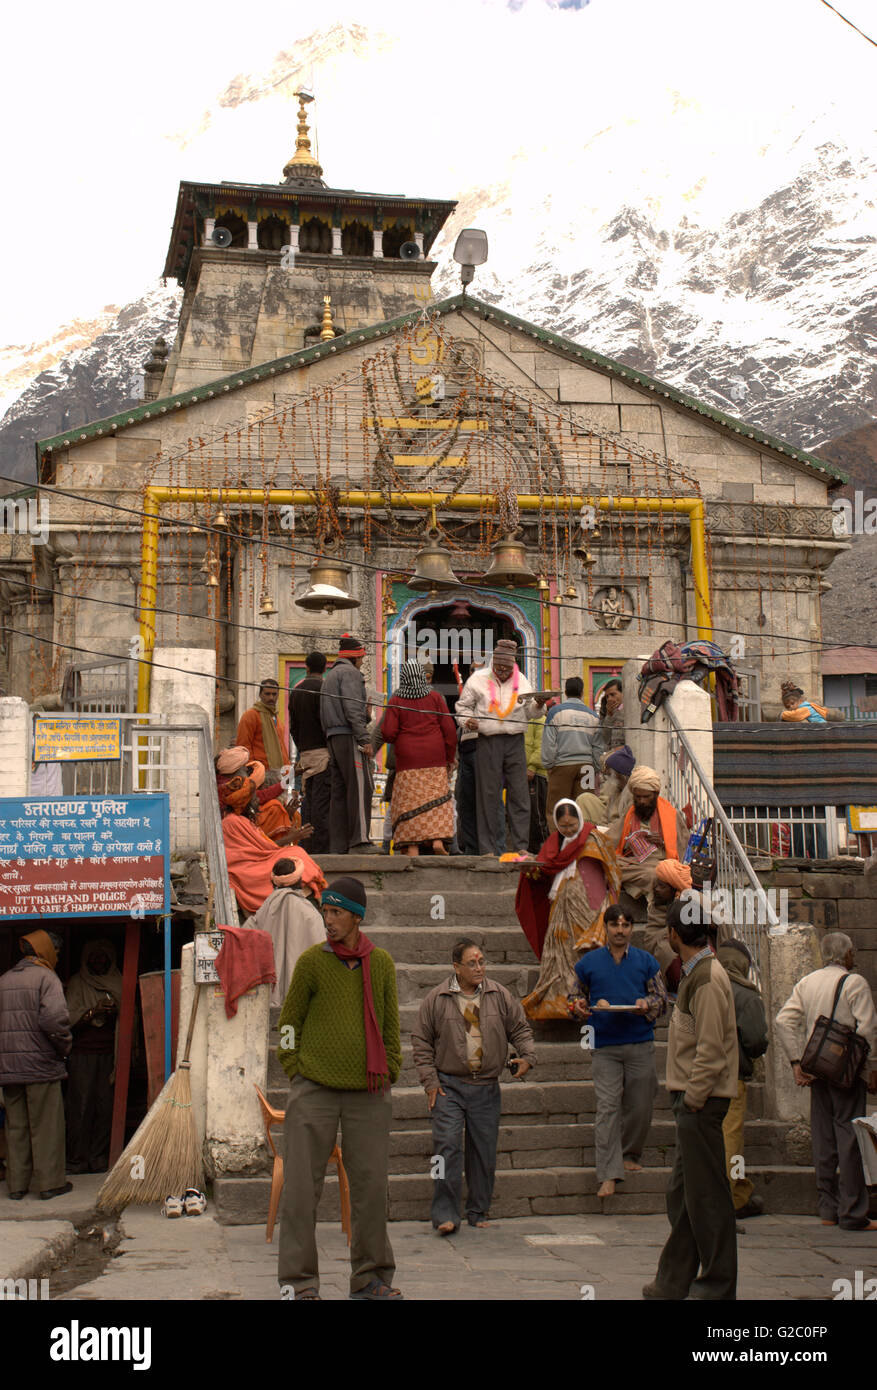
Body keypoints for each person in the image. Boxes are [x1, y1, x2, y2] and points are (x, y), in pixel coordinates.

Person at [277, 876, 403, 1299]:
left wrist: (393, 1069)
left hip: (369, 1092)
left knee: (370, 1188)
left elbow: (390, 1026)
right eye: (325, 912)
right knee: (299, 1189)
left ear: (356, 917)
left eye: (336, 913)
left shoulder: (380, 963)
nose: (328, 920)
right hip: (314, 1090)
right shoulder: (312, 963)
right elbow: (289, 1024)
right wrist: (295, 1067)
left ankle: (371, 1279)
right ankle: (299, 1283)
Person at [643, 899, 738, 1301]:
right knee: (683, 1196)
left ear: (674, 935)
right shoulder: (696, 972)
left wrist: (695, 1099)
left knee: (707, 1199)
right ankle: (672, 1281)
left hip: (701, 1101)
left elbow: (711, 1049)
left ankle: (716, 1286)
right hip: (692, 1100)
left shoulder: (708, 977)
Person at [411, 938, 536, 1235]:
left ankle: (478, 1210)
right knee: (447, 1147)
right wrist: (430, 1081)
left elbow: (519, 1028)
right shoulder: (437, 999)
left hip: (486, 1087)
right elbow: (421, 1040)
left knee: (483, 1150)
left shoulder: (498, 994)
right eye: (472, 963)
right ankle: (445, 1213)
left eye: (482, 962)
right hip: (448, 1087)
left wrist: (527, 1056)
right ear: (456, 967)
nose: (479, 968)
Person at [775, 931, 877, 1232]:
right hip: (847, 1072)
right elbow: (868, 1029)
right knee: (849, 1138)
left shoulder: (807, 982)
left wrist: (796, 1061)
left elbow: (783, 1021)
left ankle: (827, 1208)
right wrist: (870, 1068)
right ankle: (853, 1211)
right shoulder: (855, 983)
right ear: (846, 955)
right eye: (852, 952)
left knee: (823, 1138)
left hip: (817, 1069)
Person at [573, 904, 666, 1197]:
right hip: (604, 1045)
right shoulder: (588, 964)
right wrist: (582, 1007)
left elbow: (661, 998)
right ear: (606, 928)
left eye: (626, 925)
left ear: (632, 929)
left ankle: (631, 1153)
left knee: (641, 1105)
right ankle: (608, 1174)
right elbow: (574, 998)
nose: (620, 931)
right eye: (615, 925)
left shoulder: (646, 961)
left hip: (640, 1041)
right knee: (607, 1107)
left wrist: (646, 1005)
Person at [515, 799, 620, 1019]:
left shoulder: (594, 838)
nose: (569, 830)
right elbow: (544, 871)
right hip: (561, 909)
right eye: (564, 827)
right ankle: (563, 1005)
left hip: (590, 908)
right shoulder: (554, 843)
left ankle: (593, 1002)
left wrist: (605, 907)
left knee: (587, 953)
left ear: (580, 820)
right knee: (561, 958)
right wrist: (528, 867)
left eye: (572, 826)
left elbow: (612, 869)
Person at [455, 639, 547, 855]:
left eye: (507, 668)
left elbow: (531, 713)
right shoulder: (477, 679)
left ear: (514, 665)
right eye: (499, 667)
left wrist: (540, 704)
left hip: (515, 741)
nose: (503, 672)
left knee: (520, 794)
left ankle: (521, 847)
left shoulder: (522, 681)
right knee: (488, 794)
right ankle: (488, 849)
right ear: (492, 663)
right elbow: (462, 707)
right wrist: (467, 721)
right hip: (488, 740)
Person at [0, 930, 72, 1200]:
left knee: (16, 1127)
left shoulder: (4, 979)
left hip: (8, 1068)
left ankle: (17, 1185)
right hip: (40, 1065)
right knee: (46, 1126)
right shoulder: (47, 978)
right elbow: (55, 1020)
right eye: (57, 951)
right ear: (47, 950)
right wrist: (64, 1047)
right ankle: (49, 1184)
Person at [380, 659, 457, 857]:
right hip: (435, 757)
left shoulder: (396, 700)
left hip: (407, 761)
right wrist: (449, 758)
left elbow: (387, 732)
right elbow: (449, 730)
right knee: (436, 799)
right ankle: (437, 841)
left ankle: (412, 847)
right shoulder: (435, 697)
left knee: (409, 802)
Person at [716, 939, 768, 1220]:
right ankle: (733, 1196)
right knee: (731, 1141)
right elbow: (756, 1039)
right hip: (732, 1076)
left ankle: (735, 1190)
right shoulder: (747, 997)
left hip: (701, 1075)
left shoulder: (705, 988)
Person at [64, 938, 122, 1175]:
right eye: (93, 957)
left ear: (110, 960)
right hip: (82, 1055)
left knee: (105, 1107)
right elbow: (67, 1019)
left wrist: (115, 1010)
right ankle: (77, 1159)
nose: (98, 962)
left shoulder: (119, 982)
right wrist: (91, 1013)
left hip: (110, 1054)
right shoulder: (78, 983)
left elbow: (132, 1016)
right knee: (80, 1105)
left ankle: (99, 1157)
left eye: (103, 957)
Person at [240, 858, 326, 1006]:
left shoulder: (264, 909)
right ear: (299, 880)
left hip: (269, 992)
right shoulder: (310, 913)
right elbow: (320, 947)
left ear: (273, 881)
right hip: (300, 993)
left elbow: (245, 936)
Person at [321, 634, 377, 854]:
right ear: (355, 656)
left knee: (340, 792)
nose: (362, 661)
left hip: (333, 738)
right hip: (349, 736)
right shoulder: (351, 674)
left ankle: (339, 845)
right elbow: (352, 709)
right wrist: (364, 737)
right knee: (361, 788)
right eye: (361, 657)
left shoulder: (331, 675)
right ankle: (360, 841)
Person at [608, 765, 689, 902]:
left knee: (654, 874)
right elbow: (611, 838)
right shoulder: (630, 814)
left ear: (656, 794)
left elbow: (681, 846)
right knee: (609, 866)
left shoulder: (671, 815)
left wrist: (663, 842)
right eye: (638, 797)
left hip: (658, 863)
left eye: (646, 797)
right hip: (632, 863)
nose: (642, 801)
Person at [222, 813, 326, 915]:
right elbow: (263, 847)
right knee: (296, 853)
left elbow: (262, 846)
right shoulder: (233, 822)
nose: (257, 800)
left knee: (296, 853)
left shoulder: (239, 821)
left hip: (262, 862)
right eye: (254, 797)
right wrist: (289, 838)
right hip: (255, 868)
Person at [541, 676, 604, 830]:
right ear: (582, 693)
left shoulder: (555, 713)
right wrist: (595, 767)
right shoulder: (593, 716)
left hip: (562, 767)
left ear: (566, 692)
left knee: (557, 809)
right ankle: (583, 844)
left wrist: (549, 764)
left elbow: (549, 743)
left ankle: (559, 845)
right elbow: (598, 747)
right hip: (587, 769)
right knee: (585, 808)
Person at [289, 652, 331, 855]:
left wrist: (302, 746)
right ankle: (321, 849)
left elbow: (293, 727)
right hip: (324, 755)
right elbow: (328, 723)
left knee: (308, 802)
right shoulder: (325, 690)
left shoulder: (296, 692)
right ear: (325, 668)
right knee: (322, 805)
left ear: (306, 667)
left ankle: (306, 847)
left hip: (305, 755)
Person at [216, 746, 301, 843]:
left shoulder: (229, 785)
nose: (246, 769)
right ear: (235, 770)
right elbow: (262, 796)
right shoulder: (233, 788)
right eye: (243, 767)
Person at [642, 857, 693, 980]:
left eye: (662, 886)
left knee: (667, 952)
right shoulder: (656, 909)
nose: (656, 889)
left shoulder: (688, 910)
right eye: (655, 884)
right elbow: (651, 939)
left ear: (675, 891)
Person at [236, 678, 290, 781]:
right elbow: (243, 746)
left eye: (274, 694)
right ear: (260, 694)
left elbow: (281, 746)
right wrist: (253, 769)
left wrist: (288, 770)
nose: (271, 697)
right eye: (267, 694)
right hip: (260, 772)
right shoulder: (251, 715)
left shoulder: (276, 717)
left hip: (280, 772)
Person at [524, 705, 549, 852]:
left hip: (536, 774)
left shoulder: (540, 719)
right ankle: (530, 847)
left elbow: (541, 745)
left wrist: (532, 767)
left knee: (537, 814)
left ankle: (543, 848)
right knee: (527, 813)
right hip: (522, 774)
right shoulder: (522, 720)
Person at [601, 744, 635, 823]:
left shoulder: (631, 793)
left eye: (610, 774)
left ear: (619, 775)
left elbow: (624, 823)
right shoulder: (615, 790)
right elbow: (604, 818)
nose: (608, 777)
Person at [598, 678, 625, 750]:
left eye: (613, 694)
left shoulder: (629, 711)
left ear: (623, 693)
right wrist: (609, 715)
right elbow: (606, 738)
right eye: (607, 696)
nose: (609, 699)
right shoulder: (609, 714)